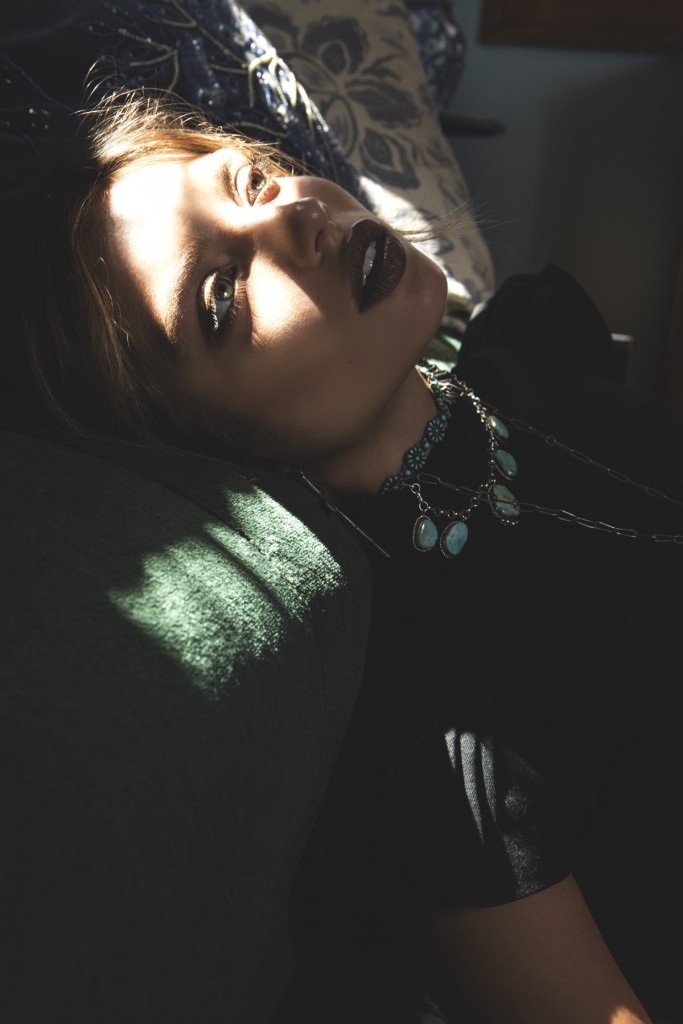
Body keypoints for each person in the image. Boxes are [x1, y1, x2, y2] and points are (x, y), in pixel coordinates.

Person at [19, 88, 683, 1024]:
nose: (296, 217)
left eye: (253, 182)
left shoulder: (506, 375)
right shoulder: (440, 719)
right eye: (220, 295)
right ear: (185, 440)